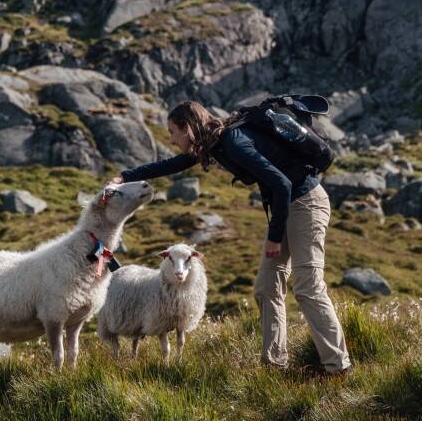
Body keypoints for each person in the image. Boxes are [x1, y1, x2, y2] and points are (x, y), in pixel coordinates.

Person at [111, 100, 352, 376]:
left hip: (306, 204)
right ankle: (274, 365)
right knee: (266, 287)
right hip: (285, 208)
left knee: (308, 286)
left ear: (188, 128)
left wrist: (274, 237)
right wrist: (125, 177)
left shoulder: (234, 143)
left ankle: (337, 367)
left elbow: (283, 185)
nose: (171, 139)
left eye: (172, 132)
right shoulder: (215, 143)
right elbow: (171, 165)